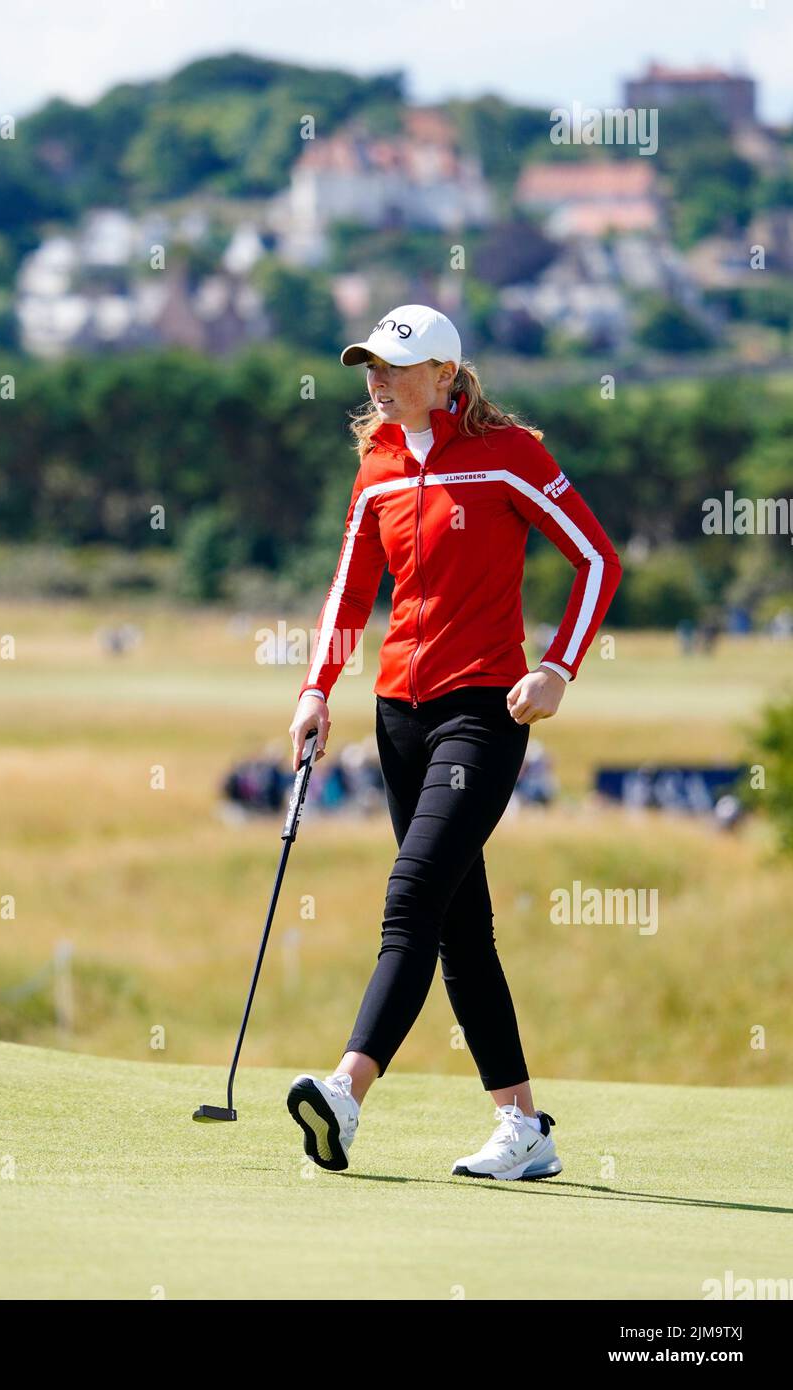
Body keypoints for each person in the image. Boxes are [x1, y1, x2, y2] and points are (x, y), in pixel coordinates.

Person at [285, 304, 622, 1180]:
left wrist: (559, 668)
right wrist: (317, 689)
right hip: (397, 713)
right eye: (370, 367)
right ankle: (525, 1128)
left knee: (411, 896)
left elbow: (597, 559)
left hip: (485, 712)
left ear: (447, 375)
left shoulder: (509, 457)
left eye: (397, 367)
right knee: (460, 930)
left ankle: (346, 1095)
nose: (378, 381)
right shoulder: (377, 466)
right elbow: (349, 591)